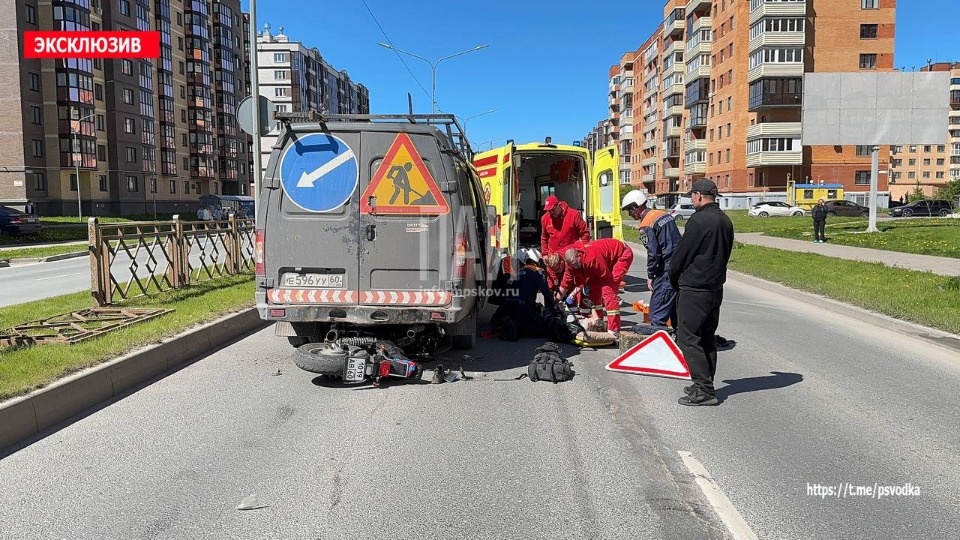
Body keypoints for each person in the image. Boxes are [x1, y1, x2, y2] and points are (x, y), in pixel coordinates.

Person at [669, 179, 734, 406]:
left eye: (692, 196)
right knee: (707, 337)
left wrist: (673, 278)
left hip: (694, 288)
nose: (691, 200)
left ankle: (703, 389)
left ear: (698, 195)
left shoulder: (698, 221)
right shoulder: (725, 220)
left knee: (688, 338)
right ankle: (706, 382)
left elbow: (681, 255)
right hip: (715, 288)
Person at [621, 191, 681, 327]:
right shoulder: (663, 214)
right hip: (679, 264)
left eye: (630, 211)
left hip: (666, 267)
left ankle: (660, 341)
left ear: (635, 207)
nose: (630, 215)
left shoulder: (646, 224)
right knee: (674, 307)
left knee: (657, 311)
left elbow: (653, 253)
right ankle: (679, 339)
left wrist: (651, 275)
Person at [556, 238, 634, 335]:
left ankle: (614, 330)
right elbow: (566, 283)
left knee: (607, 290)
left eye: (576, 264)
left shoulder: (592, 259)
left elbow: (606, 279)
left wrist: (587, 286)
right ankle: (599, 323)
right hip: (607, 260)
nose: (575, 267)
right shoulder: (571, 264)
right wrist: (555, 301)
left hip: (622, 255)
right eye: (573, 266)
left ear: (579, 256)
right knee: (593, 292)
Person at [490, 249, 555, 341]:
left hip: (507, 304)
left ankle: (507, 322)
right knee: (542, 329)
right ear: (538, 262)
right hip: (522, 305)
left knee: (502, 318)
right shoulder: (538, 271)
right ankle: (516, 326)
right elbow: (546, 293)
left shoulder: (518, 272)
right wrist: (553, 309)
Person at [540, 195, 590, 293]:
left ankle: (572, 303)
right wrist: (544, 254)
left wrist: (583, 251)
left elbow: (584, 233)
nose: (550, 213)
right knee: (551, 282)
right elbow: (544, 237)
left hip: (570, 255)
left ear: (558, 205)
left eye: (552, 210)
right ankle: (551, 303)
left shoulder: (573, 214)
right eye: (548, 211)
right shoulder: (545, 218)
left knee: (571, 280)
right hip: (554, 256)